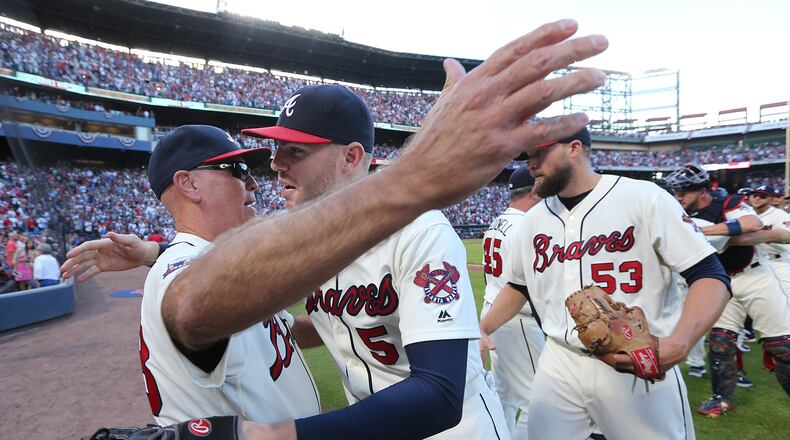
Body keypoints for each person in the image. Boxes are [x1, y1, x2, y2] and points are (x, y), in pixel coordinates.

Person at [62, 19, 609, 440]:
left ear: (351, 157)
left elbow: (440, 394)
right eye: (275, 150)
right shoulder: (304, 230)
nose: (275, 165)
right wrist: (156, 252)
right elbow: (245, 268)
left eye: (294, 152)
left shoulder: (420, 228)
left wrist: (284, 435)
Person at [479, 129, 731, 439]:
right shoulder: (534, 220)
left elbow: (709, 274)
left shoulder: (644, 198)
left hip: (635, 358)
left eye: (538, 153)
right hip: (559, 360)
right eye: (527, 156)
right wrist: (483, 327)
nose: (531, 164)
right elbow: (519, 286)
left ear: (574, 148)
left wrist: (681, 341)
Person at [664, 164, 790, 416]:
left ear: (702, 191)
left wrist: (702, 232)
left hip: (755, 275)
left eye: (684, 192)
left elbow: (751, 222)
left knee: (781, 345)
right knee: (720, 344)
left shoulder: (727, 201)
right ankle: (720, 398)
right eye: (676, 192)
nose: (678, 197)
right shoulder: (679, 212)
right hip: (720, 281)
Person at [479, 166, 544, 438]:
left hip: (493, 312)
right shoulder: (527, 225)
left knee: (503, 394)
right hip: (516, 317)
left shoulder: (498, 221)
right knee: (538, 400)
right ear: (533, 191)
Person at [748, 184, 790, 299]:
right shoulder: (747, 215)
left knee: (787, 300)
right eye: (755, 195)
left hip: (779, 262)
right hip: (757, 265)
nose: (757, 198)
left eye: (762, 196)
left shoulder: (779, 215)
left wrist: (765, 237)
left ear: (771, 199)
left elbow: (787, 237)